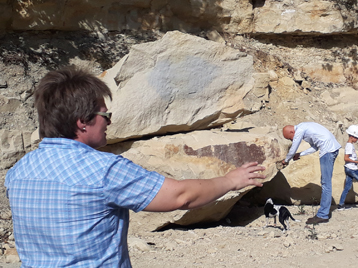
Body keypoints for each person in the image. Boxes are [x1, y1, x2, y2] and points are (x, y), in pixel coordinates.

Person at [5, 67, 266, 267]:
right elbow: (181, 196)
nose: (109, 121)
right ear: (82, 122)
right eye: (104, 115)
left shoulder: (18, 172)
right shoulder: (103, 170)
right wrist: (232, 180)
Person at [281, 122, 341, 224]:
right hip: (331, 149)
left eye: (289, 138)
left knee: (326, 183)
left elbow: (294, 146)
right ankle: (324, 213)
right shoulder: (305, 127)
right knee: (325, 182)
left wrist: (286, 160)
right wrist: (301, 154)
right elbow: (315, 147)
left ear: (292, 131)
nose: (291, 140)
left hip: (327, 151)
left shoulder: (300, 130)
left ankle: (323, 215)